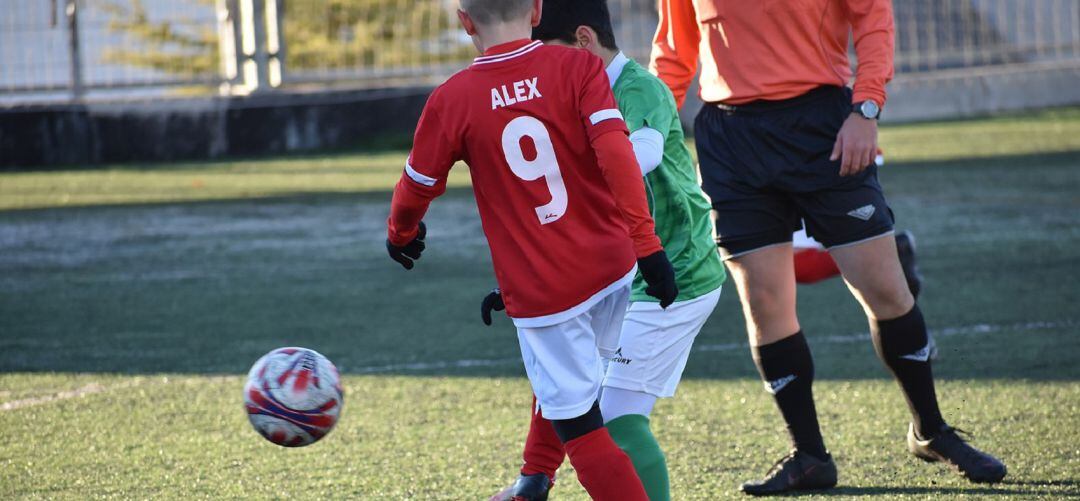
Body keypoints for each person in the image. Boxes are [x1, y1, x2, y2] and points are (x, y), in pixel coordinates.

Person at [651, 0, 1006, 494]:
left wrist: (866, 106)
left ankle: (931, 431)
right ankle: (810, 457)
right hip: (729, 139)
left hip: (824, 125)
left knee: (884, 286)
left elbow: (873, 16)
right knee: (766, 303)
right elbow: (673, 51)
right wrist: (652, 135)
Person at [385, 1, 680, 498]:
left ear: (465, 23)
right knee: (567, 382)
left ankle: (541, 473)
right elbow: (616, 154)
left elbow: (417, 185)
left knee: (582, 426)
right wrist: (647, 246)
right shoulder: (579, 66)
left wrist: (401, 231)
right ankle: (535, 477)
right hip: (613, 268)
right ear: (537, 10)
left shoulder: (452, 99)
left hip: (547, 289)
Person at [483, 2, 725, 499]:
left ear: (584, 40)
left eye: (545, 52)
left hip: (675, 275)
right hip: (615, 273)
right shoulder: (567, 93)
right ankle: (534, 478)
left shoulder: (638, 88)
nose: (538, 66)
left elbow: (642, 153)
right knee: (566, 366)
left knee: (614, 417)